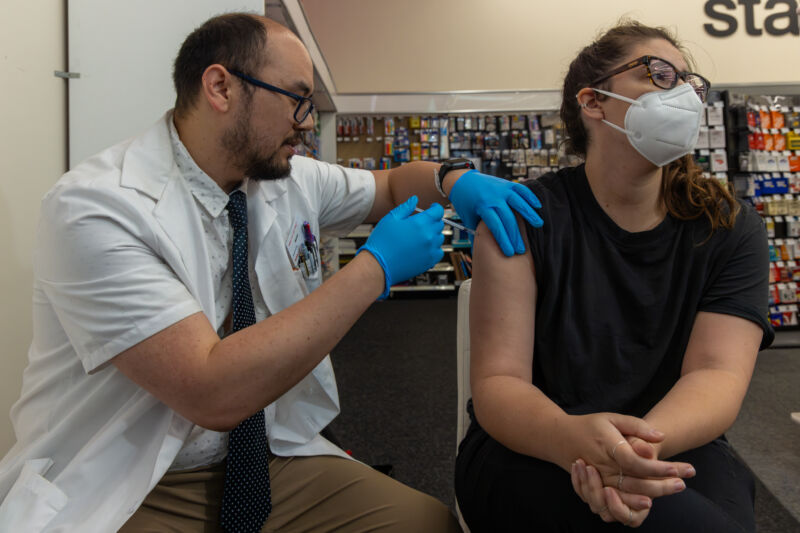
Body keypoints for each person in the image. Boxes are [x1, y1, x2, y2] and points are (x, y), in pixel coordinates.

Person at [0, 13, 544, 533]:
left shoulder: (284, 179)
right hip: (131, 478)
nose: (306, 124)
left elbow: (393, 185)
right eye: (297, 100)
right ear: (221, 88)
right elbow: (210, 391)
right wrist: (375, 268)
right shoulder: (98, 208)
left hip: (267, 457)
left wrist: (453, 179)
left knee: (425, 525)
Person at [455, 20, 773, 533]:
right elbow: (499, 383)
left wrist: (630, 454)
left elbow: (715, 374)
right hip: (535, 441)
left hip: (673, 435)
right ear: (593, 101)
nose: (686, 97)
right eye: (660, 75)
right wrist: (574, 442)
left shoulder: (729, 225)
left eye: (691, 84)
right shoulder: (523, 215)